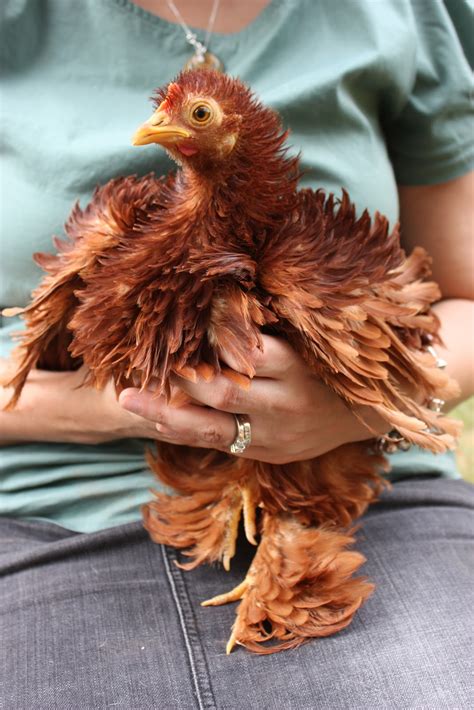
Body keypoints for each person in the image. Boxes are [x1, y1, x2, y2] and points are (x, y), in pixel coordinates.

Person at [0, 0, 472, 707]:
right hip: (54, 500)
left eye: (190, 119)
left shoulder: (402, 13)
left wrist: (363, 404)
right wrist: (124, 409)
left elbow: (463, 299)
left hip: (358, 484)